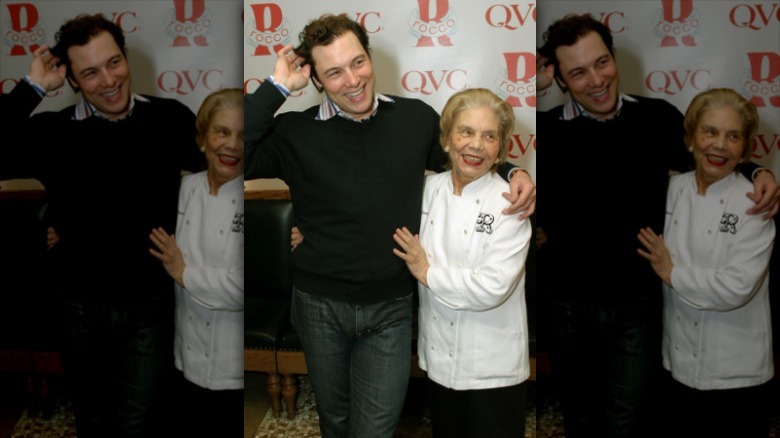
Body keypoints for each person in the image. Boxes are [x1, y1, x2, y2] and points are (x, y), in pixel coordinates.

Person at [244, 13, 535, 437]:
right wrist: (275, 89)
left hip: (390, 310)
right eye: (334, 72)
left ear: (370, 57)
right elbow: (237, 154)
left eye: (358, 62)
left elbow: (468, 157)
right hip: (318, 305)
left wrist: (513, 173)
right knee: (335, 420)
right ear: (318, 81)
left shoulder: (415, 119)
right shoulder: (294, 132)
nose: (352, 80)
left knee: (376, 429)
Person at [535, 14, 779, 438]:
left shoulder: (658, 117)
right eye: (577, 72)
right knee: (581, 417)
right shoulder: (546, 133)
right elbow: (489, 148)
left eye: (602, 62)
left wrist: (758, 170)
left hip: (639, 305)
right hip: (567, 307)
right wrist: (527, 88)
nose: (596, 80)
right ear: (559, 78)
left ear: (614, 57)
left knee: (630, 422)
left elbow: (711, 158)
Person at [0, 14, 204, 437]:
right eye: (89, 72)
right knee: (92, 418)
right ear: (71, 79)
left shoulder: (170, 118)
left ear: (126, 59)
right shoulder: (51, 133)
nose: (108, 80)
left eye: (113, 63)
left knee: (140, 421)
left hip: (151, 302)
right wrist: (33, 87)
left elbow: (224, 170)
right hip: (78, 305)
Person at [392, 88, 532, 437]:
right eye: (465, 132)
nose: (475, 145)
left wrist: (428, 273)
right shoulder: (424, 190)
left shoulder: (510, 205)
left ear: (500, 147)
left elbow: (491, 288)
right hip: (438, 361)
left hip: (492, 367)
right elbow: (373, 219)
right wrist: (312, 230)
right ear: (446, 139)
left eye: (489, 136)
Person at [637, 88, 775, 438]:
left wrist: (672, 272)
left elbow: (735, 287)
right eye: (709, 132)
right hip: (677, 366)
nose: (719, 145)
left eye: (733, 136)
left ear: (744, 147)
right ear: (690, 139)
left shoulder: (754, 205)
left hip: (736, 373)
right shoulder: (668, 190)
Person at [148, 88, 244, 437]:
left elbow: (239, 288)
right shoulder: (184, 188)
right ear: (203, 138)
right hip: (184, 354)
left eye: (243, 135)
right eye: (221, 132)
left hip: (233, 366)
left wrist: (183, 273)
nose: (232, 145)